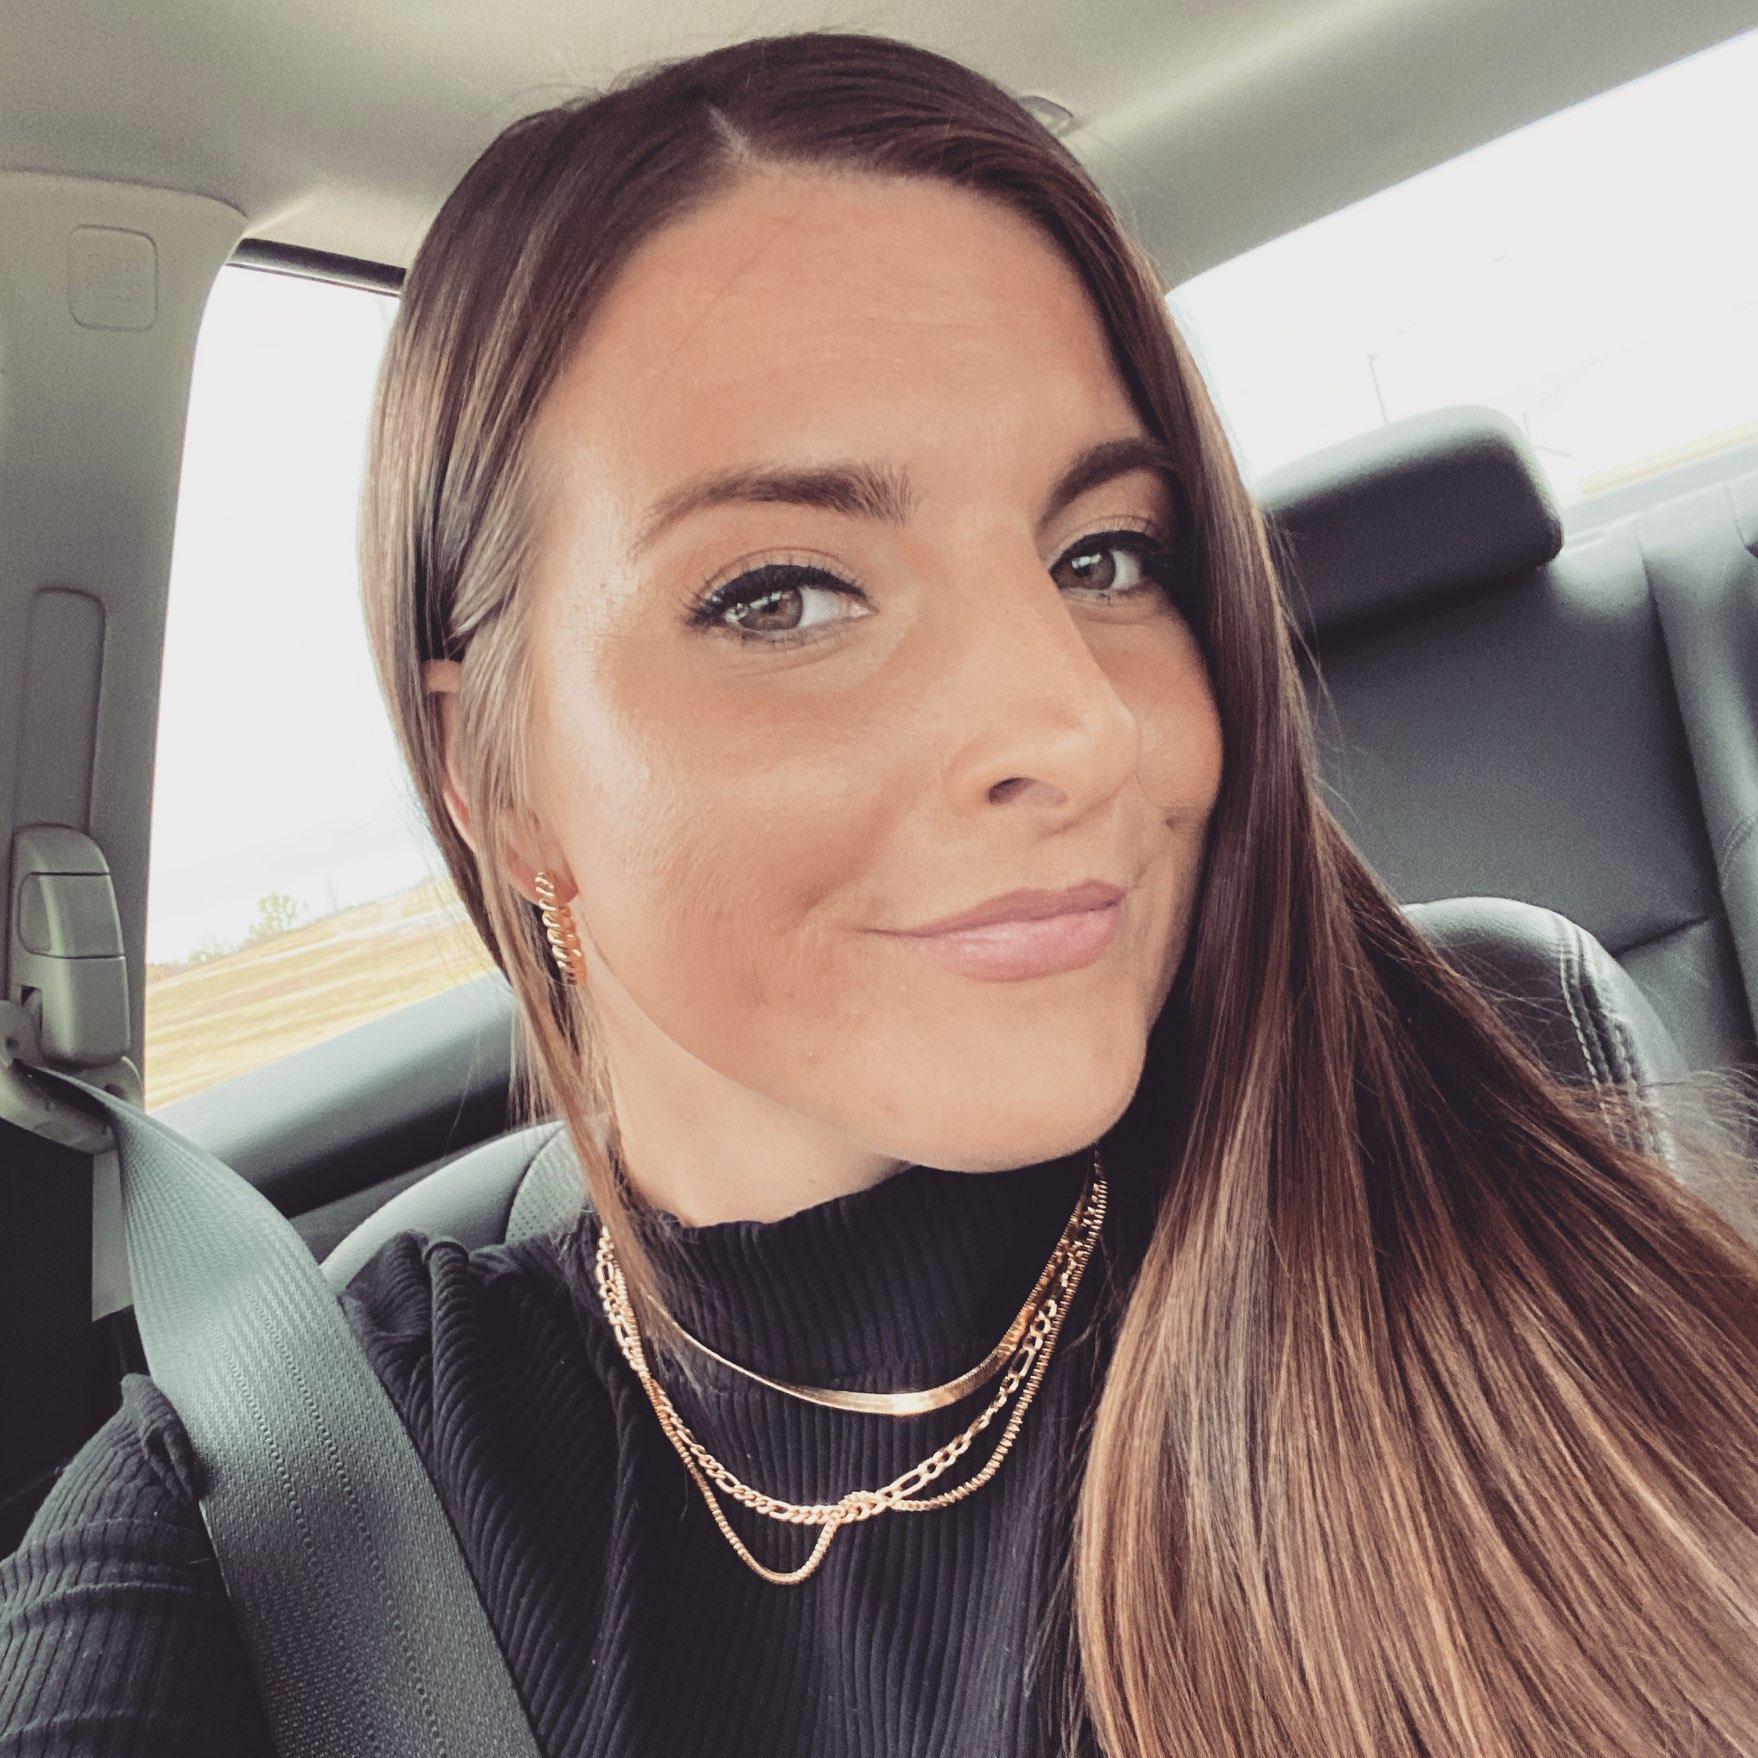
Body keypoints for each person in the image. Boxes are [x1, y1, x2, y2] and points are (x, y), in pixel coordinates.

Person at [6, 26, 1758, 1758]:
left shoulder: (1487, 1234)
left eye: (1105, 555)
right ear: (498, 778)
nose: (1075, 726)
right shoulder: (264, 1514)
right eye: (782, 594)